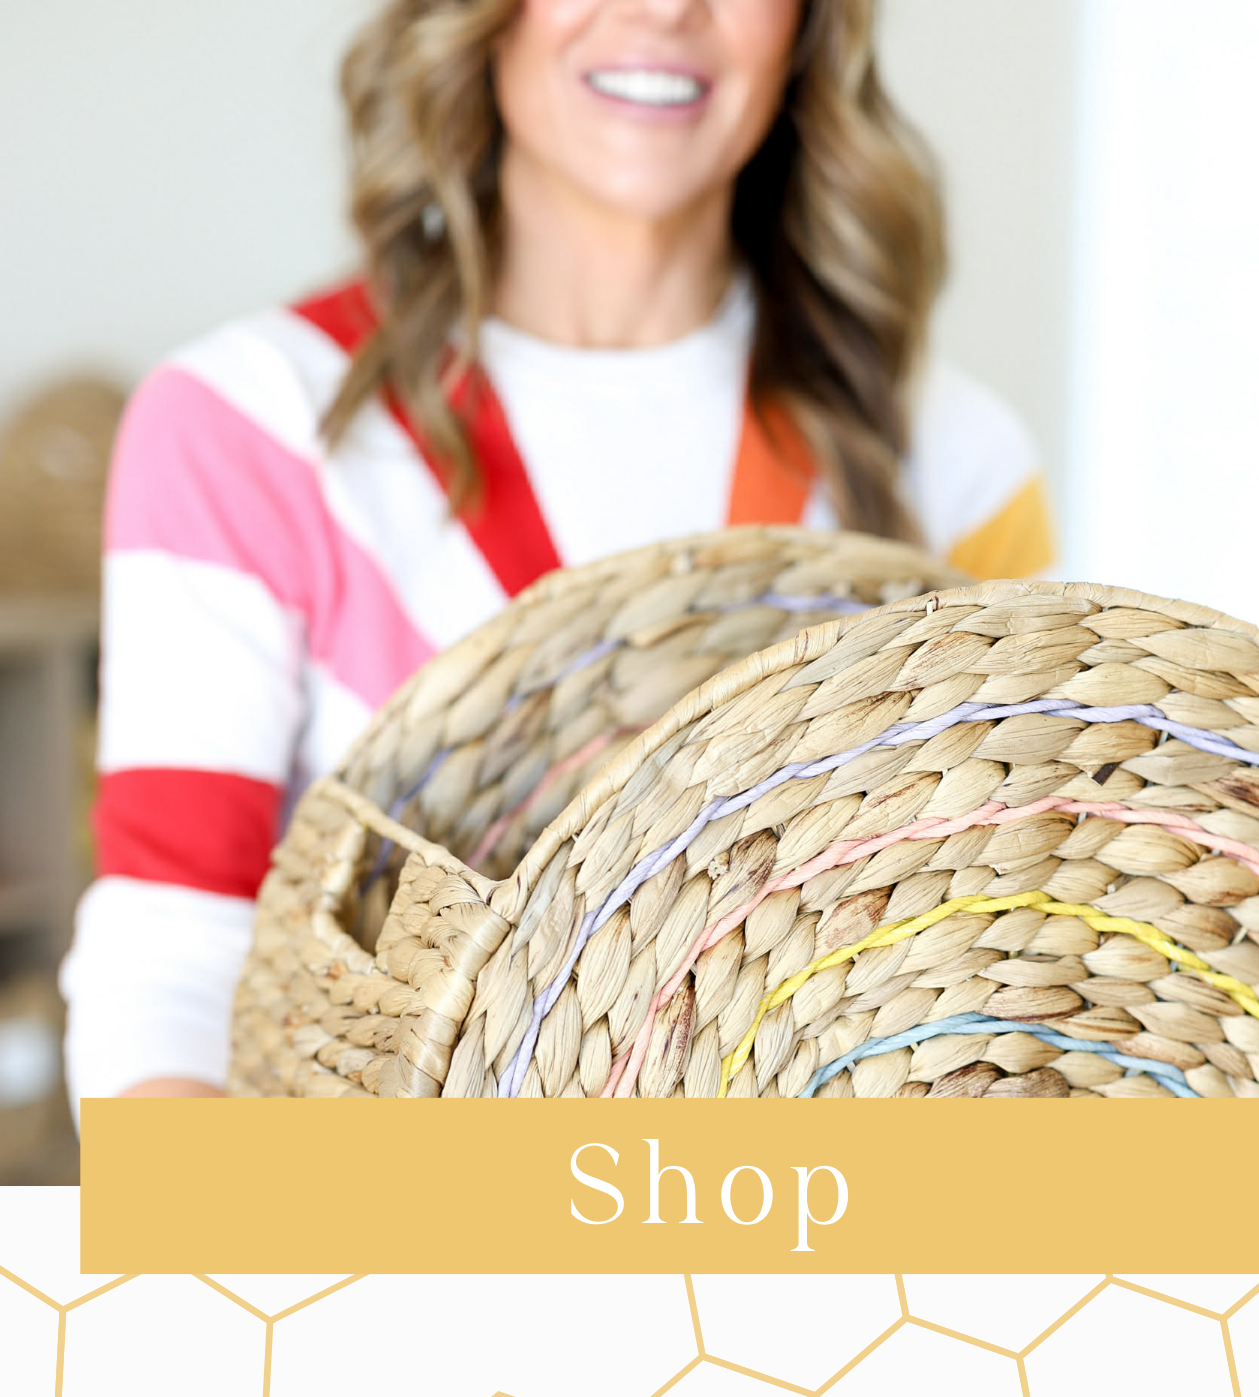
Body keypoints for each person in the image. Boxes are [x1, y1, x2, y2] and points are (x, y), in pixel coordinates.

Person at [61, 0, 1056, 1105]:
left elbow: (1016, 944)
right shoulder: (245, 424)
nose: (666, 8)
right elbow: (174, 950)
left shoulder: (952, 456)